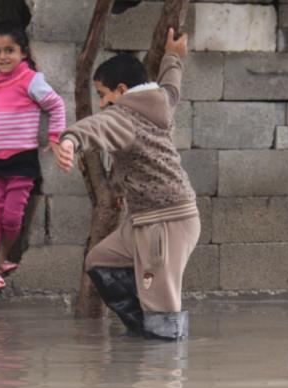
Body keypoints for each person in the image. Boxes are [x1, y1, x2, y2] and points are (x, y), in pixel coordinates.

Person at [53, 28, 199, 341]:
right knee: (99, 261)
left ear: (121, 90)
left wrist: (69, 140)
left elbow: (95, 126)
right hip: (144, 220)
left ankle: (165, 362)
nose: (102, 103)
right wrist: (173, 55)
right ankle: (143, 332)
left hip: (164, 221)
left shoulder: (124, 116)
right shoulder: (160, 100)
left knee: (162, 306)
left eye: (103, 95)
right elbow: (172, 85)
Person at [0, 22, 66, 290]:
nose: (2, 57)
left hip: (22, 160)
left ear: (24, 52)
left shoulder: (30, 79)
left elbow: (57, 105)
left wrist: (55, 138)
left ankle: (3, 257)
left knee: (12, 217)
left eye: (9, 50)